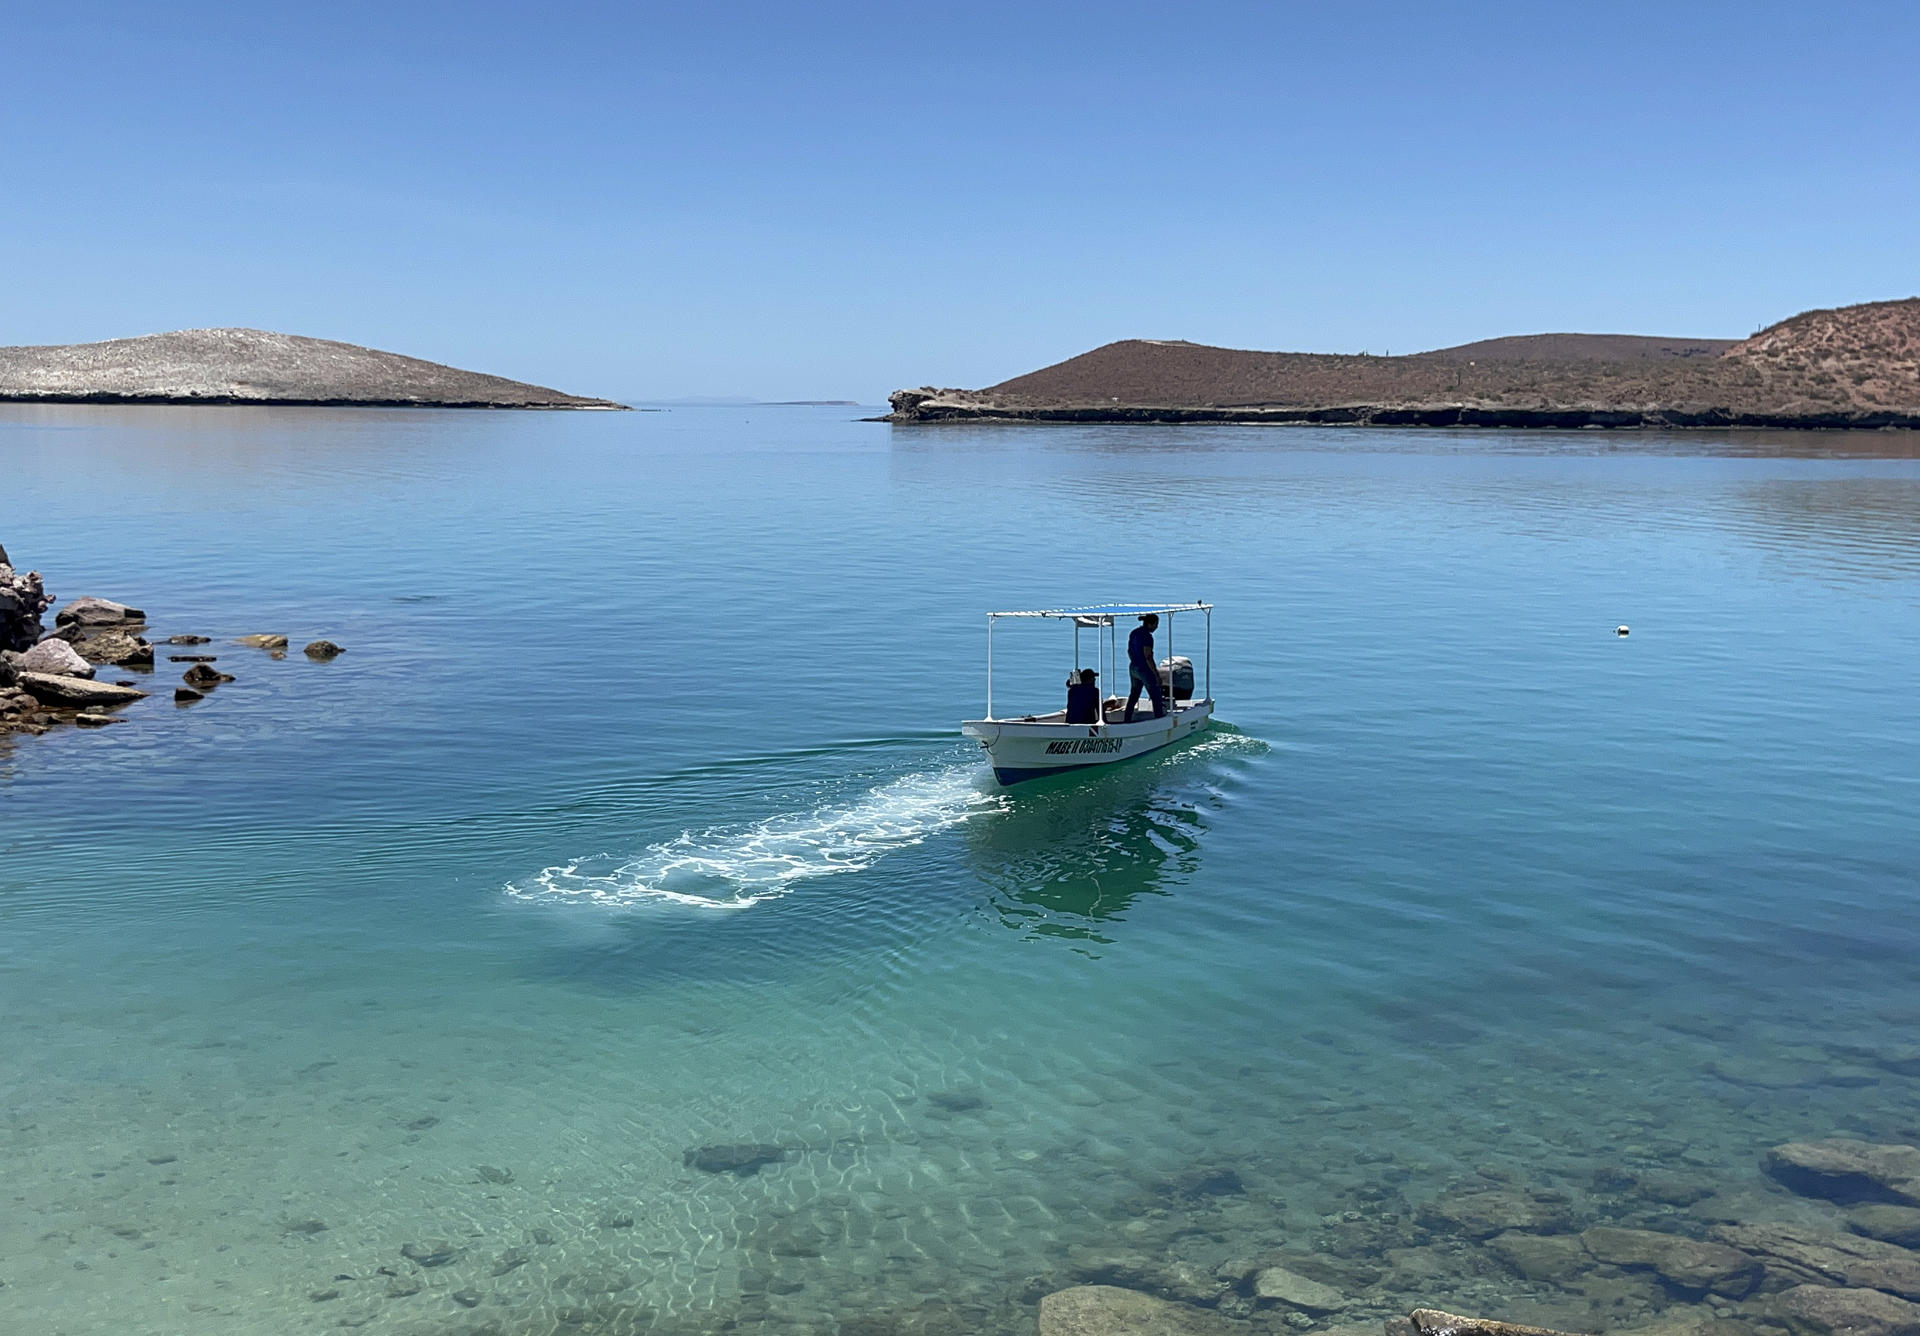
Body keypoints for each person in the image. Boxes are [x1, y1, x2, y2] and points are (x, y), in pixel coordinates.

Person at [1123, 613, 1167, 722]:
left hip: (1133, 667)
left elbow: (1129, 651)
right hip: (1144, 669)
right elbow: (1148, 656)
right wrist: (1156, 675)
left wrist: (1134, 662)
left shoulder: (1134, 633)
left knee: (1134, 694)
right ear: (1150, 624)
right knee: (1155, 694)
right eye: (1156, 624)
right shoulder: (1147, 637)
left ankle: (1127, 718)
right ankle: (1159, 719)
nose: (1156, 627)